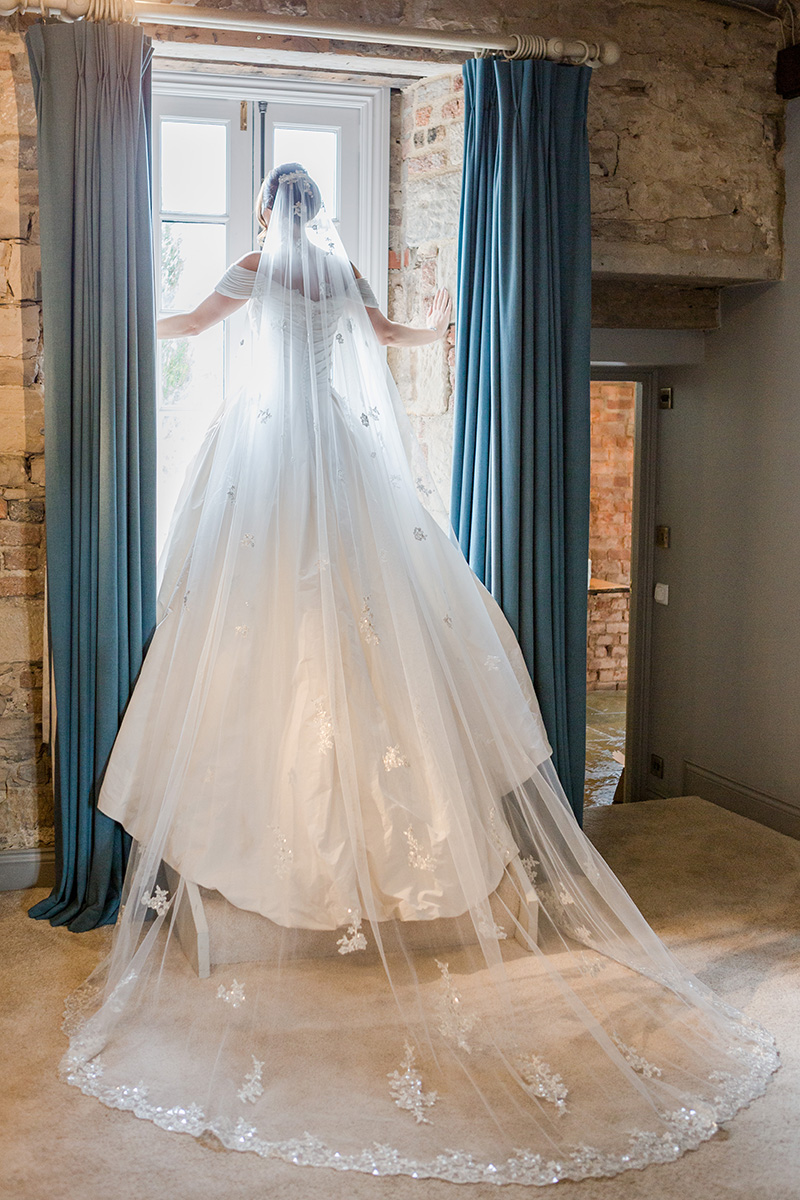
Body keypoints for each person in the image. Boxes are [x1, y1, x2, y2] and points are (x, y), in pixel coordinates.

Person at [61, 164, 777, 1186]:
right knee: (375, 623)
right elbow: (393, 340)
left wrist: (125, 315)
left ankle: (281, 845)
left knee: (254, 626)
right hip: (342, 460)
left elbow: (185, 323)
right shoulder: (341, 270)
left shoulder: (260, 261)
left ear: (270, 211)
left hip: (268, 460)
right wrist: (440, 322)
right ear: (322, 214)